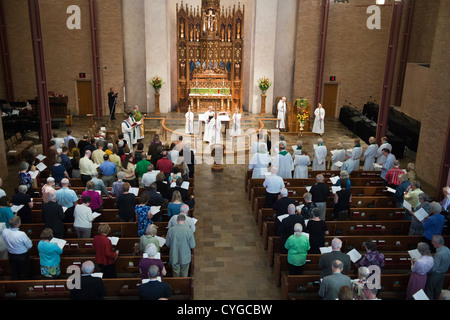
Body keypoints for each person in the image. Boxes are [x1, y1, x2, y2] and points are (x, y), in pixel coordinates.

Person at [425, 235, 450, 299]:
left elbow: (434, 269)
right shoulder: (447, 249)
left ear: (436, 243)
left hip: (435, 275)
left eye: (432, 241)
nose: (431, 242)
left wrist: (426, 271)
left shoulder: (439, 254)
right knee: (438, 292)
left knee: (429, 292)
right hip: (442, 274)